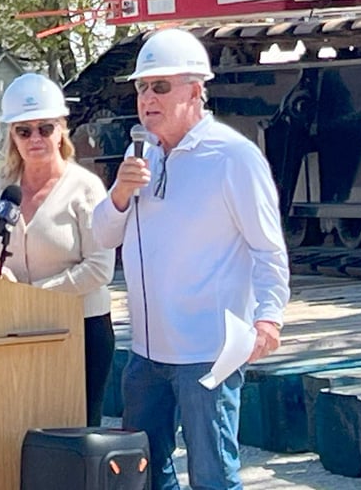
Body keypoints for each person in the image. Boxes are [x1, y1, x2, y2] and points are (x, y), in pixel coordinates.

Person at [92, 28, 290, 490]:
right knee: (144, 474)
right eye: (142, 87)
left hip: (208, 353)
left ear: (196, 90)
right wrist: (120, 192)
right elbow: (103, 234)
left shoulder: (233, 157)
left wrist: (269, 319)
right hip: (147, 353)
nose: (147, 98)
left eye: (161, 86)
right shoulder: (140, 155)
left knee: (212, 476)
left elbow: (267, 247)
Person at [0, 72, 116, 426]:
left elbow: (99, 268)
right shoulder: (3, 188)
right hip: (19, 330)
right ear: (12, 136)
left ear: (61, 130)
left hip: (82, 331)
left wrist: (36, 295)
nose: (35, 138)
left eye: (45, 128)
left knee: (75, 435)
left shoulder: (86, 188)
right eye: (24, 131)